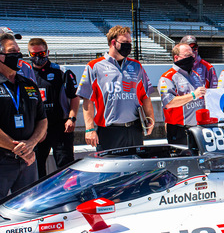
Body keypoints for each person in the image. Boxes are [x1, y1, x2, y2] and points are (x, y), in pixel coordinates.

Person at [76, 25, 155, 151]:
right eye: (125, 42)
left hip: (134, 129)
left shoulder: (136, 66)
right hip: (109, 131)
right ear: (113, 42)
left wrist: (151, 119)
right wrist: (89, 129)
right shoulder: (94, 66)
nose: (129, 45)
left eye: (130, 42)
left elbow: (145, 96)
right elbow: (87, 100)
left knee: (136, 168)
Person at [0, 32, 47, 196]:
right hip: (3, 161)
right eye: (12, 52)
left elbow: (42, 119)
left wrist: (31, 145)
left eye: (18, 50)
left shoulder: (28, 84)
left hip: (28, 161)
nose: (18, 55)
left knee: (29, 210)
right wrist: (20, 149)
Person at [28, 38, 79, 178]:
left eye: (41, 53)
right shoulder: (25, 74)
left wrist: (72, 118)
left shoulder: (62, 72)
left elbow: (74, 97)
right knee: (36, 168)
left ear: (48, 52)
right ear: (29, 54)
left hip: (60, 126)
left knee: (66, 166)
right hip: (36, 129)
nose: (38, 57)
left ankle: (69, 195)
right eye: (33, 54)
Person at [159, 43, 206, 144]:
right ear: (176, 57)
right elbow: (169, 103)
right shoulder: (167, 77)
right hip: (180, 130)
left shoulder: (196, 75)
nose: (192, 58)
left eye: (192, 55)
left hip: (198, 129)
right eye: (187, 55)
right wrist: (193, 95)